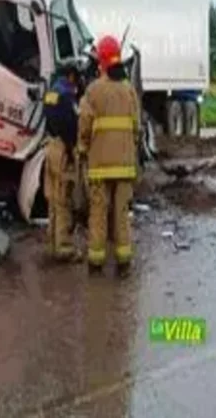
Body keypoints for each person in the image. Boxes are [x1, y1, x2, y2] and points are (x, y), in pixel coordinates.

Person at [78, 35, 140, 277]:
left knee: (98, 213)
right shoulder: (129, 90)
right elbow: (136, 127)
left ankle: (96, 263)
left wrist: (83, 148)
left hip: (99, 166)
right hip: (125, 166)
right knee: (121, 214)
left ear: (101, 61)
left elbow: (84, 124)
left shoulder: (93, 91)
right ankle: (123, 263)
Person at [43, 61, 84, 263]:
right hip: (62, 151)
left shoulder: (50, 94)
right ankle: (64, 248)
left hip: (49, 147)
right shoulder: (67, 97)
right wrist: (71, 147)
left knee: (52, 199)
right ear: (70, 76)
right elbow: (71, 124)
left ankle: (52, 243)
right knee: (64, 199)